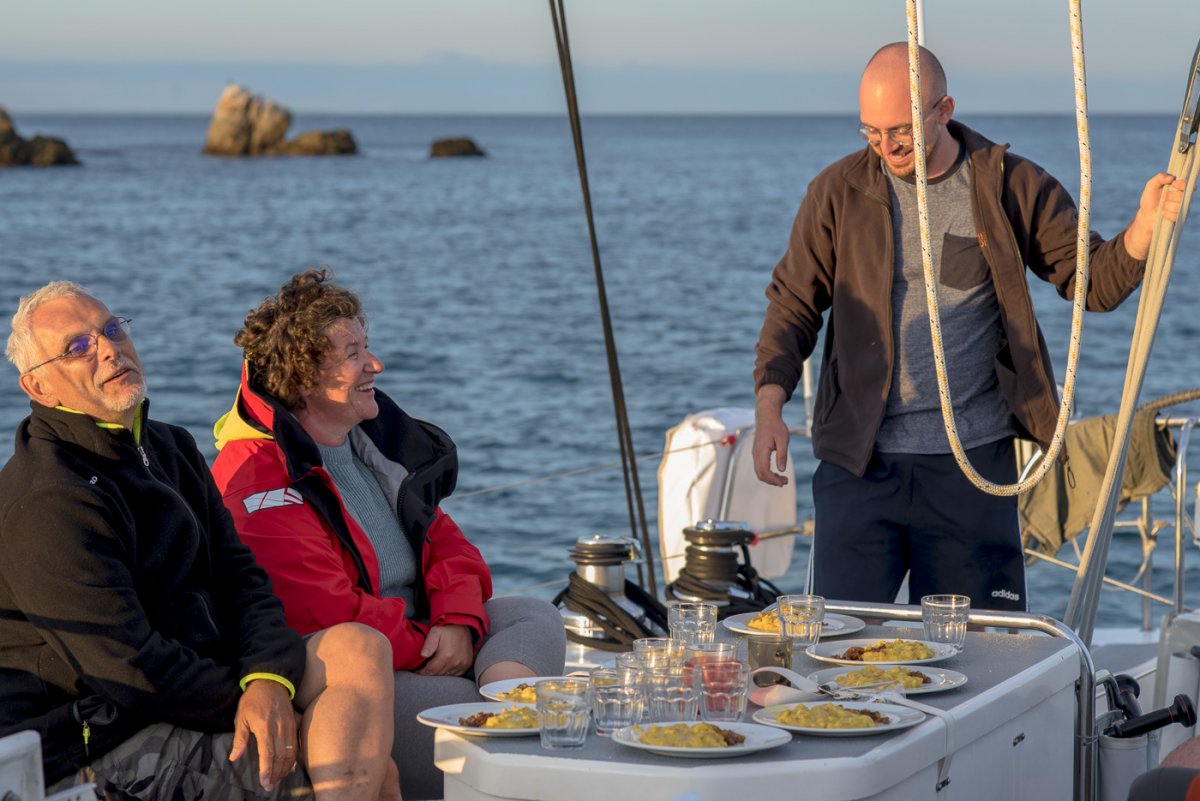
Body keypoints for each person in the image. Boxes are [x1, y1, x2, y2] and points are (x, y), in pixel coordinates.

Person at [752, 43, 1186, 611]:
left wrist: (1143, 228)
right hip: (860, 467)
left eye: (901, 130)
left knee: (984, 655)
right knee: (837, 648)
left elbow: (1091, 281)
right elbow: (792, 306)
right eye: (871, 132)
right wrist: (769, 409)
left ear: (943, 109)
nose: (887, 147)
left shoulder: (1008, 185)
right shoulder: (836, 194)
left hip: (972, 470)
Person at [0, 282, 402, 801]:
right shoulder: (49, 499)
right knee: (360, 772)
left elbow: (243, 579)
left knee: (359, 647)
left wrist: (269, 679)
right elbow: (129, 668)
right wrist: (247, 699)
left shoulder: (170, 447)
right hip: (97, 739)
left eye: (112, 328)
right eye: (78, 347)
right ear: (39, 388)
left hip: (206, 683)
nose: (107, 348)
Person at [211, 269, 566, 800]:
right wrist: (432, 646)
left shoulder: (368, 445)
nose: (375, 364)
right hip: (355, 674)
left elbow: (449, 543)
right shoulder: (258, 478)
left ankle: (508, 717)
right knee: (467, 694)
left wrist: (458, 621)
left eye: (367, 345)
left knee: (532, 613)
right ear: (302, 377)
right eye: (352, 353)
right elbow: (325, 612)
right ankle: (516, 725)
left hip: (422, 635)